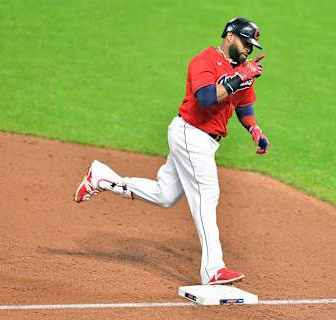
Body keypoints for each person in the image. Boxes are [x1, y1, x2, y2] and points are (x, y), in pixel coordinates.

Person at [74, 17, 269, 285]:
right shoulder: (204, 61)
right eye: (246, 43)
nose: (249, 49)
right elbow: (206, 98)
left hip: (204, 140)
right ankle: (213, 269)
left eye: (252, 45)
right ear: (230, 36)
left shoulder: (244, 69)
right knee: (206, 194)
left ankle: (103, 178)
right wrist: (237, 80)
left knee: (164, 195)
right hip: (191, 133)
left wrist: (255, 130)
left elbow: (244, 104)